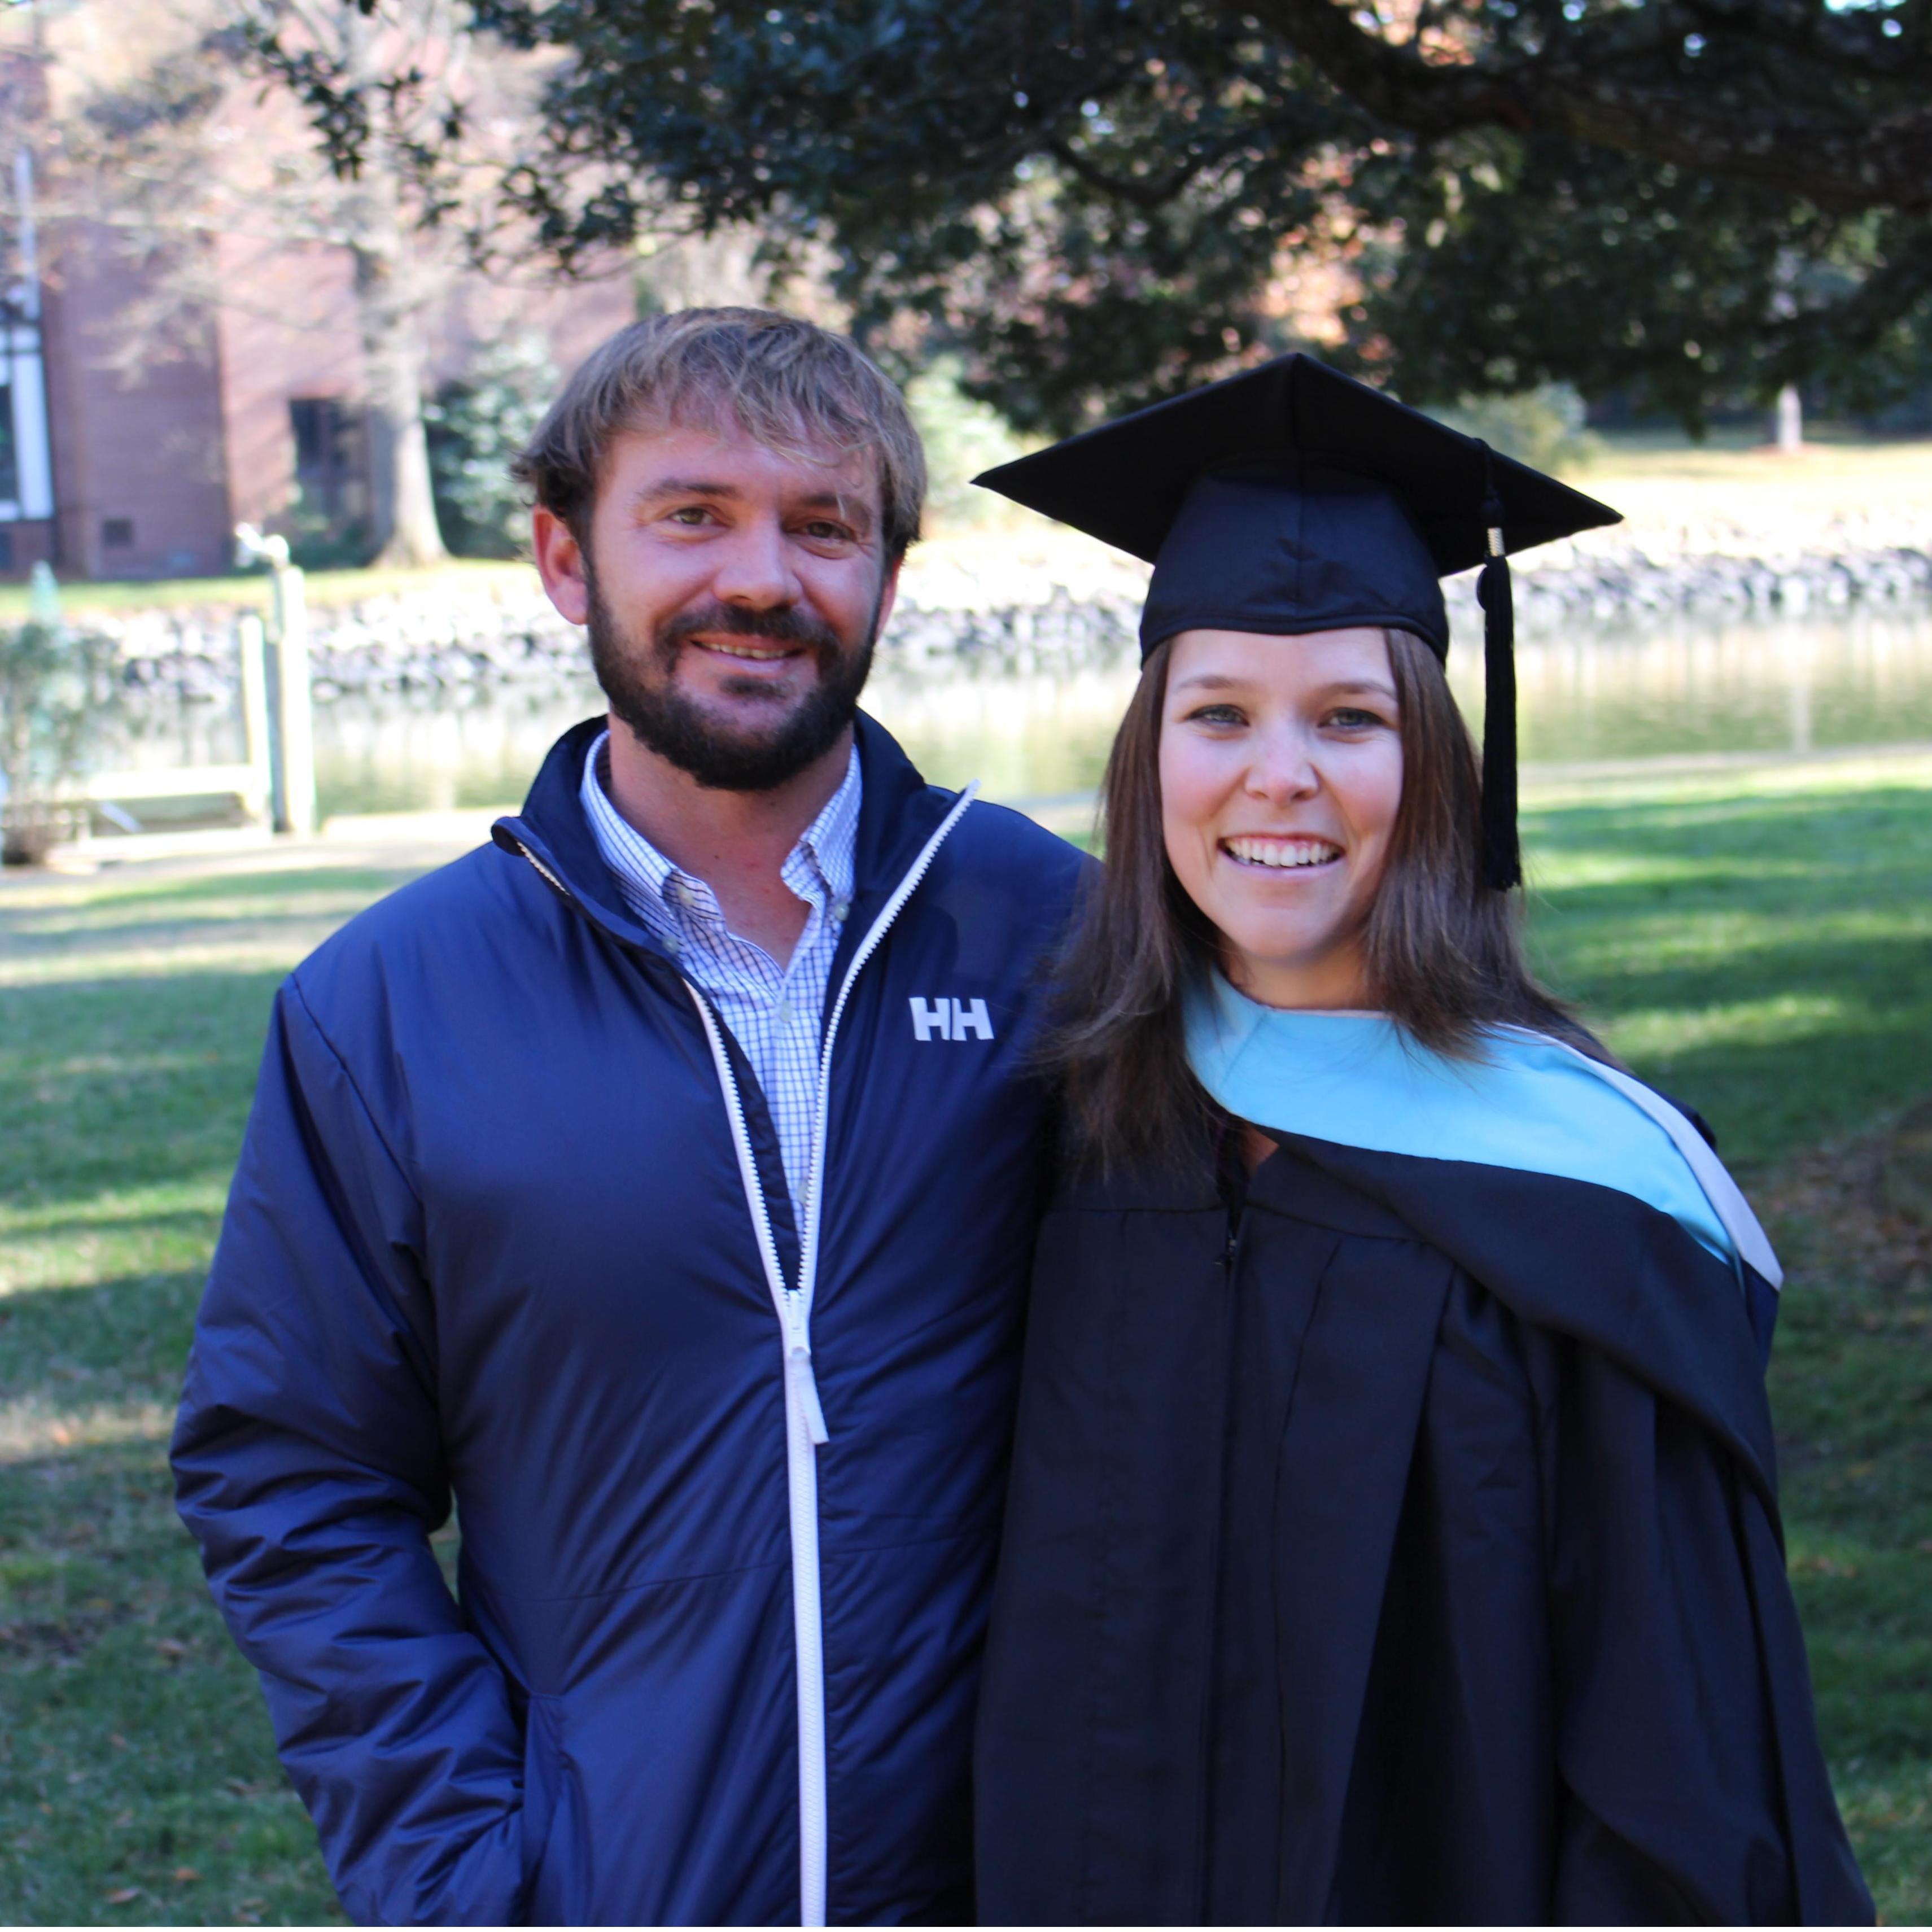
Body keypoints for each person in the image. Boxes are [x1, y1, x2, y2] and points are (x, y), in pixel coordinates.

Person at [171, 308, 1084, 1926]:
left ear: (887, 572)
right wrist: (463, 1874)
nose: (762, 579)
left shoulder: (1054, 935)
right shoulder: (388, 1003)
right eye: (690, 516)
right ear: (564, 559)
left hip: (1023, 1878)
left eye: (824, 526)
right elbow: (293, 1470)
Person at [969, 355, 1874, 1925]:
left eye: (1348, 719)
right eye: (1219, 713)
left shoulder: (1585, 1205)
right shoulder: (1078, 1139)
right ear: (1149, 760)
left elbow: (1678, 1763)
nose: (1280, 775)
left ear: (1437, 768)